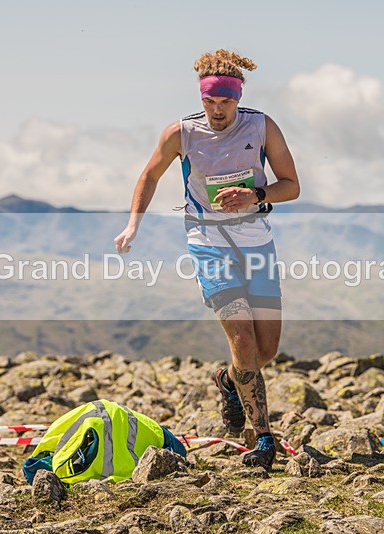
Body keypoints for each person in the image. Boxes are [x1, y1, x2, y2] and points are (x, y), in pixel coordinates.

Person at [114, 49, 300, 469]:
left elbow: (292, 185)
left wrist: (256, 194)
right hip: (207, 242)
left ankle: (227, 380)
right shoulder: (181, 133)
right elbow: (150, 175)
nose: (217, 111)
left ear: (238, 97)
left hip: (256, 242)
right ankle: (263, 438)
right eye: (209, 102)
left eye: (225, 102)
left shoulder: (262, 127)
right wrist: (133, 226)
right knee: (244, 341)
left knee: (264, 351)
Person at [23, 399, 187, 485]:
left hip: (102, 413)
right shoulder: (148, 428)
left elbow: (32, 465)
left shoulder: (63, 467)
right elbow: (178, 450)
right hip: (117, 416)